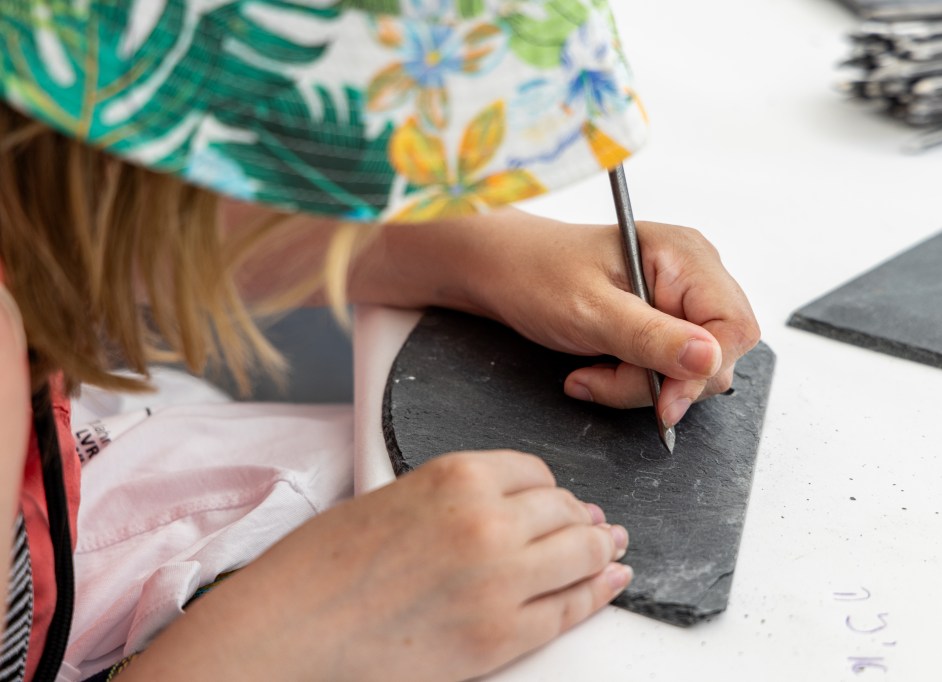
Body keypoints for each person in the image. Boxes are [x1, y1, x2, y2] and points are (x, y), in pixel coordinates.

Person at [0, 3, 759, 680]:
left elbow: (154, 226)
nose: (334, 204)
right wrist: (279, 641)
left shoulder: (54, 181)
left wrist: (486, 260)